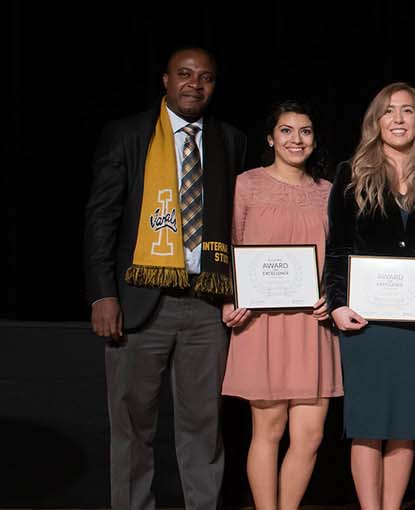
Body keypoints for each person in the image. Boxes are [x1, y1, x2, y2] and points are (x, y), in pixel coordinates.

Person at [84, 47, 246, 510]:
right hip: (138, 303)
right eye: (185, 74)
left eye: (207, 77)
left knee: (204, 427)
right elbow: (101, 219)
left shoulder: (229, 139)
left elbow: (236, 223)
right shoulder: (129, 134)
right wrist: (103, 294)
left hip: (206, 303)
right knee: (133, 428)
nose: (195, 84)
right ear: (165, 80)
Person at [322, 82, 415, 510]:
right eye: (388, 111)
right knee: (368, 424)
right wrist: (335, 304)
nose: (397, 119)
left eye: (407, 111)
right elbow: (337, 247)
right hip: (364, 321)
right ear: (375, 121)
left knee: (405, 424)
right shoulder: (351, 173)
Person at [222, 100, 341, 510]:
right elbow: (229, 248)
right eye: (286, 131)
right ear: (271, 138)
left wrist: (334, 293)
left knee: (310, 435)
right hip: (261, 322)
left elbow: (339, 256)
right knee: (268, 429)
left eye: (305, 131)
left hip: (313, 323)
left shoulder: (329, 193)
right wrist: (229, 298)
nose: (296, 139)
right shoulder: (246, 185)